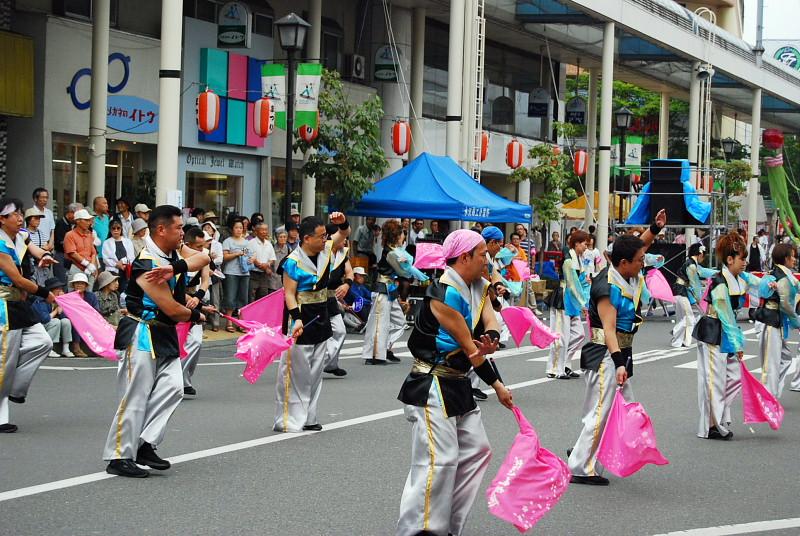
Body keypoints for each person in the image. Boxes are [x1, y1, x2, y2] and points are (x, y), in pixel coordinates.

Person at [396, 229, 513, 536]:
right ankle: (420, 529)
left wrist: (492, 338)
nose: (487, 260)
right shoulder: (444, 293)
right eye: (482, 254)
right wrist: (497, 384)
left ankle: (447, 524)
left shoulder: (480, 286)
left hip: (457, 383)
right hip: (432, 383)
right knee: (439, 460)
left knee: (477, 450)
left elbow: (490, 321)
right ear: (464, 257)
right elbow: (471, 349)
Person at [102, 204, 210, 478]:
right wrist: (196, 314)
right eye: (178, 227)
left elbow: (204, 258)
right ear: (161, 229)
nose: (183, 232)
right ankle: (118, 456)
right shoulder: (147, 262)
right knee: (135, 396)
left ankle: (144, 443)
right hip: (141, 332)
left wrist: (175, 268)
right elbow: (172, 309)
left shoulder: (173, 253)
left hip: (164, 333)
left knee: (174, 388)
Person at [567, 209, 666, 485]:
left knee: (618, 409)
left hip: (618, 354)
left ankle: (584, 452)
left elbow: (638, 246)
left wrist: (654, 228)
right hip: (605, 356)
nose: (643, 263)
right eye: (640, 261)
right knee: (601, 412)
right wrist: (619, 363)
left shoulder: (626, 271)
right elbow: (608, 330)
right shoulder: (607, 286)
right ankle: (580, 466)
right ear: (624, 263)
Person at [273, 212, 350, 433]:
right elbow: (289, 294)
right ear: (306, 238)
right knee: (295, 371)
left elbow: (344, 233)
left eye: (326, 235)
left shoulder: (325, 250)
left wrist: (342, 222)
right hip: (299, 315)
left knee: (316, 369)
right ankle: (287, 419)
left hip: (321, 313)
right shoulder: (292, 262)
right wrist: (297, 319)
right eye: (321, 236)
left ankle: (309, 417)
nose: (325, 239)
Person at [692, 232, 763, 441]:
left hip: (724, 331)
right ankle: (712, 425)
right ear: (730, 259)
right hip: (713, 331)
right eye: (742, 258)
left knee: (733, 377)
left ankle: (718, 418)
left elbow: (758, 282)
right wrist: (737, 343)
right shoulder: (720, 282)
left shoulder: (740, 277)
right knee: (713, 380)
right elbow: (725, 315)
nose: (745, 262)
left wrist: (772, 283)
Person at [0, 197, 57, 433]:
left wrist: (43, 256)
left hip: (20, 302)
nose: (20, 218)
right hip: (4, 305)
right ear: (2, 219)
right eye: (15, 214)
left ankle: (14, 389)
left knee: (43, 342)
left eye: (20, 213)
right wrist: (45, 293)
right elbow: (17, 279)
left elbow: (36, 250)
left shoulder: (21, 235)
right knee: (5, 360)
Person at [361, 220, 413, 365]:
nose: (403, 237)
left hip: (390, 289)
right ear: (396, 235)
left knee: (400, 322)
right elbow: (404, 271)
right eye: (402, 234)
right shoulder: (390, 252)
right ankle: (375, 355)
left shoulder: (393, 250)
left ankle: (385, 348)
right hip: (382, 289)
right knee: (379, 323)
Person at [754, 243, 799, 398]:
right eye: (792, 256)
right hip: (770, 323)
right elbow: (786, 305)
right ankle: (767, 398)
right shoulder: (779, 277)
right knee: (771, 363)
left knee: (785, 358)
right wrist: (797, 323)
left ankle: (770, 394)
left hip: (775, 322)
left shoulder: (783, 276)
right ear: (785, 258)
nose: (794, 259)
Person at [546, 230, 590, 379]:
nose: (586, 247)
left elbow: (580, 281)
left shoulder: (579, 259)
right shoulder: (568, 260)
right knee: (560, 336)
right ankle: (555, 369)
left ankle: (565, 364)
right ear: (576, 244)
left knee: (579, 334)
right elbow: (572, 284)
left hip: (573, 300)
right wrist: (583, 303)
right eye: (585, 244)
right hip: (564, 298)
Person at [181, 227, 213, 397]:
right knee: (182, 342)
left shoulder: (204, 257)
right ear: (188, 244)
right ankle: (176, 379)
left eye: (203, 246)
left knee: (196, 342)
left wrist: (198, 298)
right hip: (177, 299)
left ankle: (184, 379)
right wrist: (189, 299)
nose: (202, 250)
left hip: (194, 299)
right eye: (198, 247)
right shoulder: (178, 257)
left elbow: (205, 280)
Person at [671, 243, 715, 348]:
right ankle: (678, 339)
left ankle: (682, 340)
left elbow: (702, 271)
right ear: (700, 254)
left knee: (685, 317)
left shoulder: (692, 264)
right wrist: (698, 298)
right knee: (688, 317)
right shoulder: (691, 265)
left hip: (679, 291)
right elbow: (694, 283)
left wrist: (719, 272)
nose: (703, 258)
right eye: (703, 256)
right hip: (681, 291)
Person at [323, 223, 352, 378]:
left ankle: (330, 364)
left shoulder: (342, 254)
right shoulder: (321, 251)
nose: (345, 240)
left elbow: (350, 272)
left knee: (340, 331)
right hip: (314, 299)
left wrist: (347, 284)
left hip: (331, 299)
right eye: (343, 237)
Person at [32, 277, 74, 357]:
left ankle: (66, 348)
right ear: (50, 291)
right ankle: (48, 349)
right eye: (57, 289)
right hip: (39, 327)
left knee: (66, 321)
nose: (60, 291)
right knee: (56, 322)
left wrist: (61, 303)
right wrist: (56, 310)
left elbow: (64, 316)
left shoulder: (57, 300)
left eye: (61, 289)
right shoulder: (40, 300)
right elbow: (45, 319)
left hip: (50, 326)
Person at [221, 217, 251, 332]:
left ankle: (241, 322)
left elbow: (250, 255)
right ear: (232, 229)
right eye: (236, 228)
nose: (239, 230)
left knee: (243, 298)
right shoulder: (227, 241)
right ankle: (229, 322)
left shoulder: (247, 242)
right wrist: (236, 254)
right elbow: (224, 257)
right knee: (230, 297)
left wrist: (251, 259)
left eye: (241, 228)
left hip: (245, 273)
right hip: (231, 272)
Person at [63, 208, 98, 290]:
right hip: (76, 267)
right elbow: (72, 253)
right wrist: (87, 264)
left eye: (89, 220)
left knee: (89, 294)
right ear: (78, 221)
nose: (89, 223)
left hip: (90, 269)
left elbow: (93, 252)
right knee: (74, 295)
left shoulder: (89, 234)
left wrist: (92, 266)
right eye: (86, 220)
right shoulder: (69, 235)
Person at [68, 271, 99, 357]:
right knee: (77, 321)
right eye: (77, 283)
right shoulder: (69, 296)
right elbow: (65, 311)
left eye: (82, 283)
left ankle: (98, 348)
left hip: (89, 319)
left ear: (85, 286)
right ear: (73, 285)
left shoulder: (91, 296)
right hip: (73, 320)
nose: (79, 285)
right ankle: (76, 347)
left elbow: (96, 310)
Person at [102, 220, 135, 294]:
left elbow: (131, 257)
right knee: (112, 292)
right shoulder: (106, 242)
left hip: (125, 271)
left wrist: (122, 262)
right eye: (113, 228)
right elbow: (105, 259)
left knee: (124, 291)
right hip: (112, 271)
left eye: (118, 228)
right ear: (110, 230)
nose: (116, 230)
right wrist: (117, 265)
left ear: (121, 229)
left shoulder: (128, 241)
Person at [203, 221, 224, 331]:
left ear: (213, 231)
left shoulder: (217, 244)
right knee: (204, 297)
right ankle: (203, 320)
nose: (206, 229)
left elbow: (220, 259)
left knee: (215, 298)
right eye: (205, 227)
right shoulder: (200, 243)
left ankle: (216, 322)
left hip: (214, 272)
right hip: (202, 272)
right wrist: (209, 258)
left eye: (209, 228)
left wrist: (210, 260)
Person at [247, 222, 276, 302]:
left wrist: (267, 264)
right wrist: (259, 264)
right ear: (256, 231)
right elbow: (246, 255)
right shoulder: (250, 243)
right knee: (251, 297)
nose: (264, 232)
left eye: (266, 230)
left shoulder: (269, 244)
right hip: (253, 274)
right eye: (262, 230)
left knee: (263, 297)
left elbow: (272, 259)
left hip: (264, 275)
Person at [24, 207, 52, 285]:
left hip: (42, 265)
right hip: (30, 266)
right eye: (36, 218)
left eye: (39, 218)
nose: (38, 220)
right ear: (28, 220)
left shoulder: (40, 232)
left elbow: (46, 246)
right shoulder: (24, 233)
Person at [54, 202, 79, 286]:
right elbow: (59, 241)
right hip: (61, 255)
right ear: (70, 213)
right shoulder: (60, 223)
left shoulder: (71, 224)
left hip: (69, 257)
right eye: (76, 215)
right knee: (62, 282)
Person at [343, 266, 371, 332]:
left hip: (359, 308)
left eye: (363, 276)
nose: (363, 278)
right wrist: (370, 302)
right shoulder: (351, 286)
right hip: (352, 309)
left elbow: (370, 296)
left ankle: (367, 324)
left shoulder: (361, 286)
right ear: (356, 276)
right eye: (361, 276)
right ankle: (364, 324)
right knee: (364, 307)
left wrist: (371, 301)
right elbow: (358, 299)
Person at [268, 229, 290, 294]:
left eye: (284, 237)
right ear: (277, 238)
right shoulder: (271, 248)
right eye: (280, 237)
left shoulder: (288, 249)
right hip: (272, 278)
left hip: (284, 279)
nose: (283, 239)